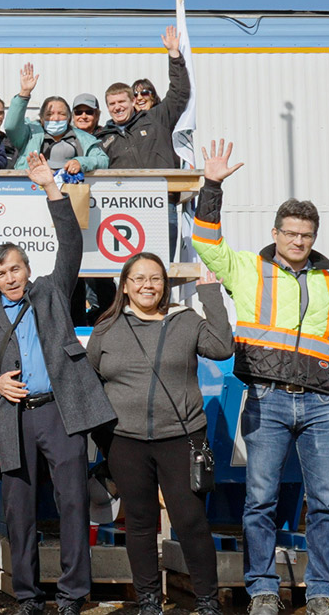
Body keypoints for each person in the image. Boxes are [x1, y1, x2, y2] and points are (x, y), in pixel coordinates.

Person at [191, 140, 329, 615]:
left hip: (323, 405)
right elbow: (206, 243)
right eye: (290, 233)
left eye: (306, 234)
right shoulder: (247, 268)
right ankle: (263, 588)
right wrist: (212, 186)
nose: (298, 242)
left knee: (325, 503)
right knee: (260, 500)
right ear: (276, 232)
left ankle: (324, 590)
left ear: (314, 236)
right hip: (265, 400)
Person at [0, 152, 117, 615]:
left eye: (14, 269)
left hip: (61, 410)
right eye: (0, 274)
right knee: (19, 511)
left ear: (27, 269)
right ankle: (29, 596)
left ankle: (74, 595)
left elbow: (70, 243)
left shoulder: (51, 290)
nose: (9, 278)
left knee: (73, 504)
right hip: (12, 417)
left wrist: (52, 188)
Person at [86, 254, 233, 615]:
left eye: (154, 279)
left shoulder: (185, 321)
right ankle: (149, 600)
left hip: (181, 436)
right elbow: (90, 380)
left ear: (164, 285)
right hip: (125, 440)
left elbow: (222, 347)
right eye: (138, 279)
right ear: (125, 285)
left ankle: (206, 600)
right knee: (138, 520)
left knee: (191, 521)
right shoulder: (106, 328)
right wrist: (103, 436)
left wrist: (211, 294)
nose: (146, 285)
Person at [97, 26, 189, 170]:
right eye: (112, 104)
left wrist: (174, 55)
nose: (117, 107)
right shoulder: (102, 139)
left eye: (121, 101)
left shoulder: (156, 118)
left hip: (165, 191)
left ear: (133, 101)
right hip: (124, 192)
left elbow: (179, 93)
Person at [4, 65, 108, 176]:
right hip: (32, 189)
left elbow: (103, 160)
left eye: (61, 114)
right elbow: (11, 126)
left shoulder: (84, 138)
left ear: (69, 118)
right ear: (42, 118)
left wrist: (81, 162)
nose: (56, 118)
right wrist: (24, 93)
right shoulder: (29, 135)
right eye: (49, 114)